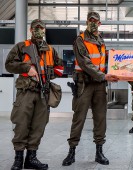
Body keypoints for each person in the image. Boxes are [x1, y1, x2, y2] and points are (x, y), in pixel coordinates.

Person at [5, 19, 64, 170]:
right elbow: (9, 64)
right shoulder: (21, 46)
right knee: (21, 124)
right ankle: (18, 159)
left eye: (41, 28)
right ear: (31, 30)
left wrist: (51, 72)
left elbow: (60, 67)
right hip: (26, 92)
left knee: (39, 126)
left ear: (45, 30)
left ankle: (31, 158)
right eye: (36, 28)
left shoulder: (50, 50)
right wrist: (26, 68)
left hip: (43, 92)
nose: (39, 30)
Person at [62, 11, 118, 166]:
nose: (93, 23)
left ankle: (99, 152)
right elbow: (85, 62)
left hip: (99, 86)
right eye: (90, 20)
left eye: (96, 20)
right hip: (84, 85)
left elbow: (101, 61)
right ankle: (71, 152)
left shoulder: (101, 40)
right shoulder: (80, 40)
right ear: (87, 22)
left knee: (100, 119)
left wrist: (114, 60)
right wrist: (103, 76)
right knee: (79, 118)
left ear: (100, 23)